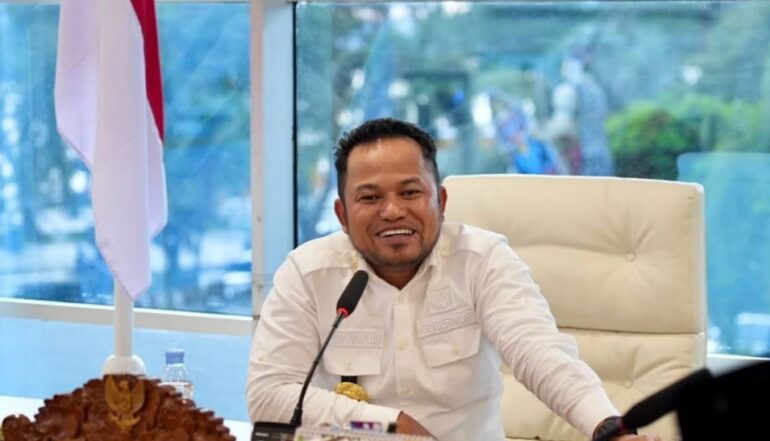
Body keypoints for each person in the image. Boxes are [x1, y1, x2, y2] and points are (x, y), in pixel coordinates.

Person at [246, 117, 660, 441]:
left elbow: (540, 353)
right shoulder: (308, 273)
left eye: (410, 192)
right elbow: (268, 394)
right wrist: (389, 425)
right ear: (342, 214)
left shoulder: (481, 259)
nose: (392, 211)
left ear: (440, 201)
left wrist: (608, 428)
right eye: (370, 197)